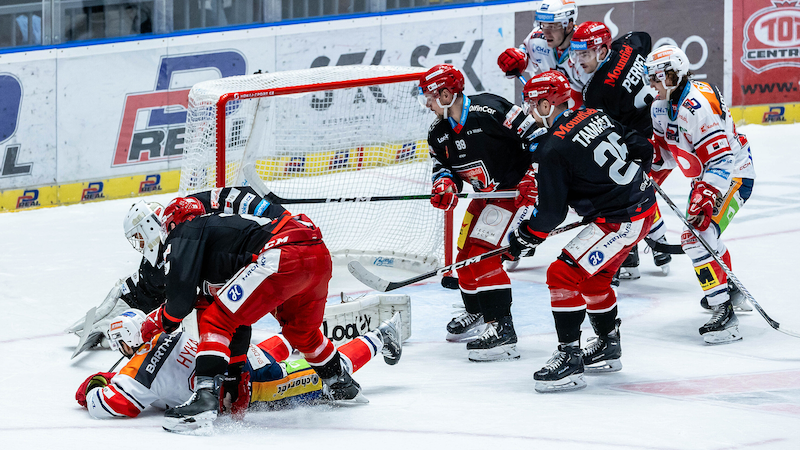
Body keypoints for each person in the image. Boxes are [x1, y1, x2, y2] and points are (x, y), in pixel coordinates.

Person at [128, 193, 355, 433]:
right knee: (302, 333)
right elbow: (238, 318)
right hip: (317, 254)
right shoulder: (220, 240)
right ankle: (340, 382)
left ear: (172, 222)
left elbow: (179, 305)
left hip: (283, 253)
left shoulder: (185, 230)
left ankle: (204, 400)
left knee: (216, 320)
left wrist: (147, 327)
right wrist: (235, 377)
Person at [508, 70, 657, 393]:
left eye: (533, 104)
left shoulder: (551, 149)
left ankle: (570, 359)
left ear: (548, 105)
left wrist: (525, 236)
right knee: (594, 279)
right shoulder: (595, 115)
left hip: (621, 220)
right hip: (644, 208)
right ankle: (607, 344)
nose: (530, 111)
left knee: (562, 274)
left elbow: (550, 214)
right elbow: (643, 148)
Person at [419, 64, 543, 362]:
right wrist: (444, 183)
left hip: (516, 194)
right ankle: (477, 311)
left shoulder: (491, 109)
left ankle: (502, 330)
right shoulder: (438, 132)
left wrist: (535, 175)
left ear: (447, 94)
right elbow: (443, 166)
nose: (427, 104)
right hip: (486, 196)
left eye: (430, 97)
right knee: (465, 258)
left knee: (483, 255)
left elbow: (540, 136)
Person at [75, 308, 403, 419]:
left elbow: (105, 405)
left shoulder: (134, 376)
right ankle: (304, 333)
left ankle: (382, 336)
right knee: (277, 346)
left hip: (254, 388)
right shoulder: (167, 334)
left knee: (328, 376)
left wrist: (96, 382)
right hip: (241, 360)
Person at [66, 186, 285, 351]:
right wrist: (119, 323)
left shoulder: (182, 239)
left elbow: (180, 303)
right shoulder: (156, 260)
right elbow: (146, 292)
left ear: (150, 226)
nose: (140, 244)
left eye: (139, 236)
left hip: (258, 263)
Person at [644, 45, 756, 344]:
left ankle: (724, 313)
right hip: (707, 177)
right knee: (703, 236)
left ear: (674, 75)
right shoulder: (660, 106)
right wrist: (642, 180)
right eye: (650, 78)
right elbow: (664, 155)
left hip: (732, 174)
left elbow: (722, 159)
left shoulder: (698, 105)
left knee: (696, 237)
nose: (652, 85)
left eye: (657, 78)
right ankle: (729, 291)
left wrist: (705, 194)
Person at [569, 21, 674, 280]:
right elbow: (644, 36)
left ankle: (635, 252)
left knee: (627, 194)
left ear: (602, 51)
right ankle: (658, 246)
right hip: (668, 130)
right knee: (640, 191)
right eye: (576, 53)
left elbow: (604, 132)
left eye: (585, 54)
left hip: (650, 146)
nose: (578, 60)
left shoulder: (596, 91)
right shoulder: (627, 45)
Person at [497, 0, 588, 109]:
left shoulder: (586, 49)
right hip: (554, 111)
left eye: (552, 26)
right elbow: (526, 60)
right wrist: (518, 58)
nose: (546, 33)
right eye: (543, 25)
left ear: (569, 25)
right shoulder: (537, 39)